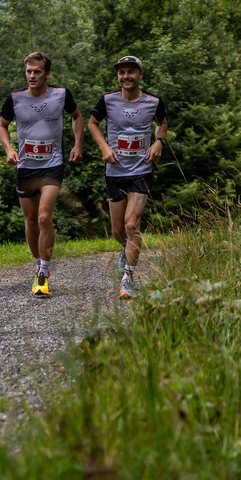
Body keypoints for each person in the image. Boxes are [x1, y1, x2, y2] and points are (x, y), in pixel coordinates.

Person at [0, 51, 83, 297]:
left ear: (47, 74)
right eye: (28, 71)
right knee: (31, 220)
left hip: (52, 164)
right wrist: (9, 149)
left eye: (37, 72)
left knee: (45, 217)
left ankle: (44, 272)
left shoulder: (61, 95)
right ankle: (38, 263)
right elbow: (2, 126)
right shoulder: (14, 98)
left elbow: (77, 117)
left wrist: (78, 144)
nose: (32, 76)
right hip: (25, 166)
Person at [88, 55, 167, 300]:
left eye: (131, 72)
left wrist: (159, 142)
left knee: (132, 225)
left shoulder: (153, 102)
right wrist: (104, 147)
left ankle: (127, 279)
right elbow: (92, 123)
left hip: (141, 169)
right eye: (122, 72)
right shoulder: (108, 100)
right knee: (118, 230)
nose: (126, 77)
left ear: (140, 74)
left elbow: (162, 123)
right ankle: (125, 249)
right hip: (115, 170)